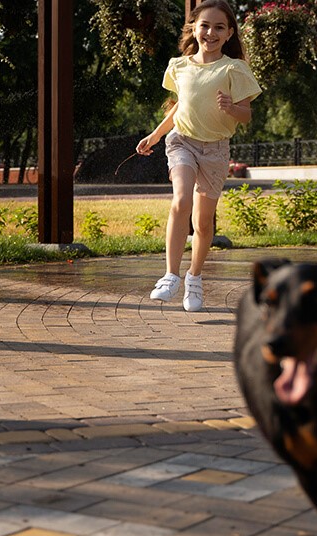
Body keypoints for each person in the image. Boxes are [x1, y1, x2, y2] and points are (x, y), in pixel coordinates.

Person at [136, 0, 261, 312]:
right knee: (181, 200)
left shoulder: (234, 69)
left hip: (216, 149)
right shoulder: (179, 66)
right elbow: (180, 107)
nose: (211, 32)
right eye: (205, 25)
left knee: (203, 223)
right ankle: (170, 275)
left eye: (220, 27)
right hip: (182, 142)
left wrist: (231, 108)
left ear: (230, 33)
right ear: (193, 28)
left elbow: (246, 114)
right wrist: (156, 134)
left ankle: (194, 277)